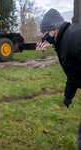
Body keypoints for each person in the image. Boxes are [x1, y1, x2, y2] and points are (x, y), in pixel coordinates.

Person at [40, 8, 81, 149]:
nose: (44, 37)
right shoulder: (62, 42)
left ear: (54, 30)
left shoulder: (75, 37)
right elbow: (74, 74)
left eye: (45, 33)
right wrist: (68, 96)